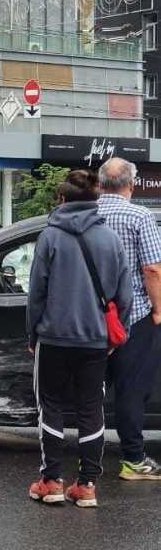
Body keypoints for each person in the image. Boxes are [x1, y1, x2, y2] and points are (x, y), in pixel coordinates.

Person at [27, 170, 132, 508]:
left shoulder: (50, 237)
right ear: (95, 200)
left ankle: (51, 481)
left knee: (51, 407)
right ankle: (86, 484)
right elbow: (124, 295)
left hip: (54, 337)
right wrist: (119, 332)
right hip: (95, 340)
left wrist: (32, 333)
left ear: (61, 200)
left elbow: (37, 293)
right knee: (91, 409)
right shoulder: (111, 239)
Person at [98, 157, 161, 480]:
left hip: (91, 317)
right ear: (131, 184)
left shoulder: (88, 213)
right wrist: (158, 310)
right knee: (130, 390)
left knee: (91, 389)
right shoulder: (140, 216)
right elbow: (152, 269)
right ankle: (133, 459)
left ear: (100, 184)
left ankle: (88, 458)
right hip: (133, 317)